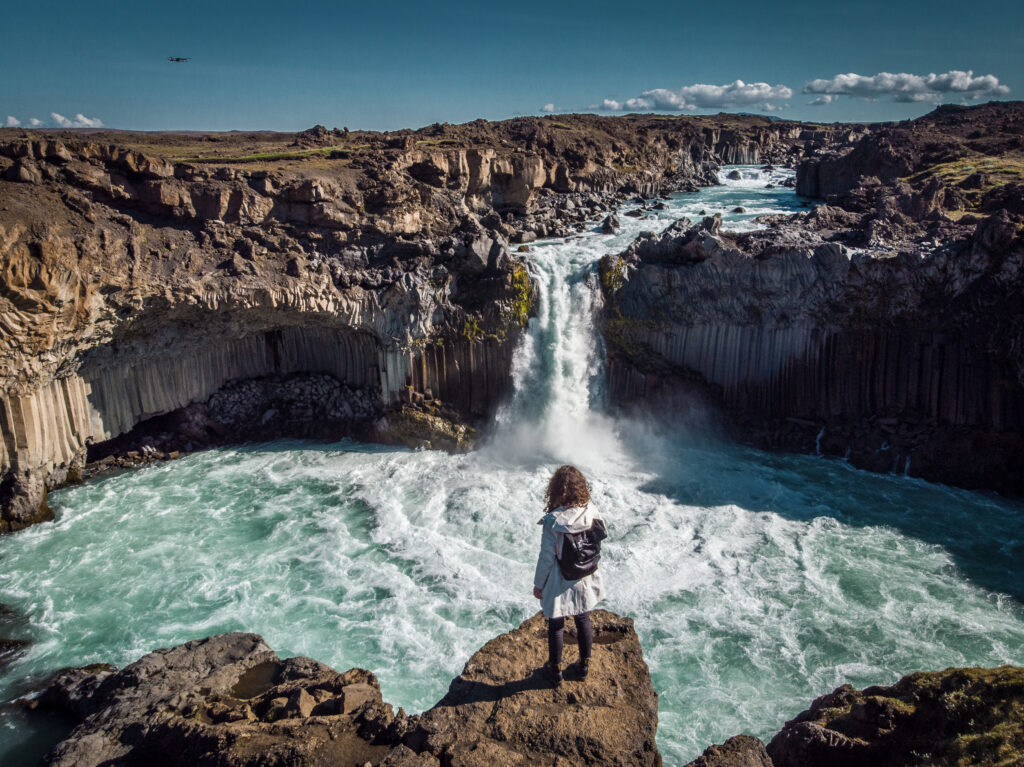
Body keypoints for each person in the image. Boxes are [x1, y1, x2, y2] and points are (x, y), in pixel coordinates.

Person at [532, 464, 605, 687]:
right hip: (584, 575)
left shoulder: (553, 522)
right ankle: (583, 666)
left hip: (560, 579)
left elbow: (546, 558)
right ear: (581, 488)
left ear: (554, 490)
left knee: (556, 624)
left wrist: (538, 585)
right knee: (583, 618)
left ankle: (555, 671)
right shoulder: (591, 511)